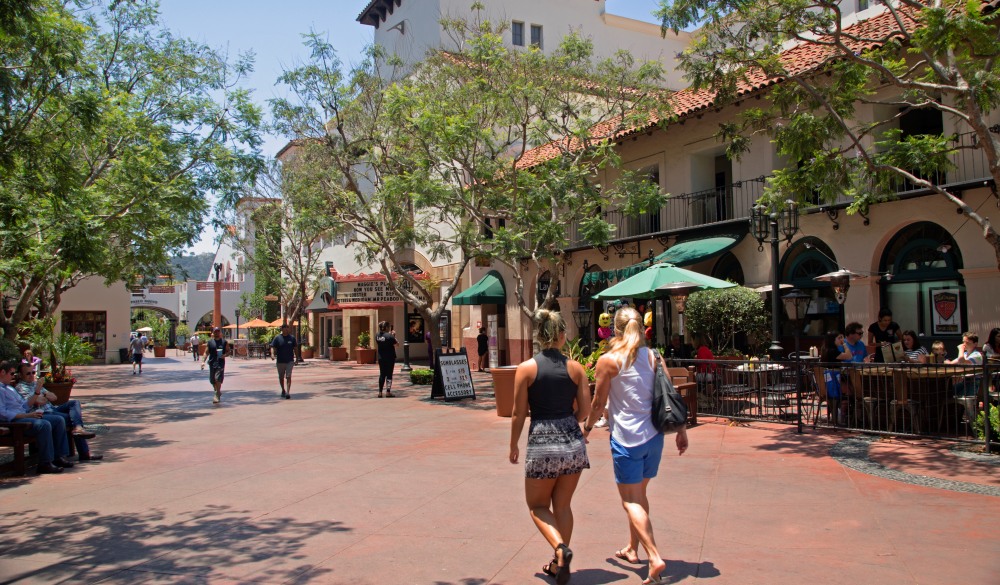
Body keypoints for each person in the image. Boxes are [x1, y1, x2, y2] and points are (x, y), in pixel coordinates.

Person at [584, 307, 688, 585]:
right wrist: (681, 430)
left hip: (626, 439)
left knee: (629, 500)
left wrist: (587, 428)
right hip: (654, 437)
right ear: (641, 327)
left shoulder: (608, 360)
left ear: (615, 329)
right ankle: (632, 548)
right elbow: (670, 394)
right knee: (639, 496)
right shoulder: (654, 356)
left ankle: (654, 557)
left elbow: (597, 403)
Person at [509, 309, 591, 585]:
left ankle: (560, 550)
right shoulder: (576, 368)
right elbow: (585, 411)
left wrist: (513, 445)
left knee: (537, 506)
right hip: (572, 442)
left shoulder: (527, 368)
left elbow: (518, 413)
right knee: (563, 505)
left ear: (540, 335)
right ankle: (560, 564)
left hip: (542, 443)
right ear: (562, 336)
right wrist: (570, 421)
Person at [15, 363, 102, 461]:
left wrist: (42, 395)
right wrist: (43, 395)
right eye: (28, 373)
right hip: (43, 413)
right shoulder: (21, 387)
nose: (31, 375)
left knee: (74, 403)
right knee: (70, 418)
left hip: (52, 409)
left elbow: (54, 397)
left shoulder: (36, 384)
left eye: (33, 372)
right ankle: (79, 453)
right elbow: (37, 401)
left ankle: (78, 428)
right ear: (21, 375)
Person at [0, 360, 74, 474]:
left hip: (25, 415)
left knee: (58, 420)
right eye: (11, 374)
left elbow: (25, 405)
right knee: (44, 425)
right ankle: (45, 463)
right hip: (15, 420)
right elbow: (3, 413)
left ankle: (58, 457)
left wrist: (37, 392)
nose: (13, 376)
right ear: (3, 372)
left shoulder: (10, 388)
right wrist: (27, 415)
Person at [946, 332, 983, 397]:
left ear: (975, 344)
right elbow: (951, 363)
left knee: (954, 393)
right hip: (964, 381)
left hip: (974, 383)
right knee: (947, 392)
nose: (964, 344)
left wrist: (961, 349)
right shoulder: (965, 354)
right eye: (963, 342)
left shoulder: (977, 355)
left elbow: (962, 362)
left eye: (967, 343)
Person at [202, 327, 230, 404]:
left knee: (217, 378)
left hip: (220, 363)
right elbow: (206, 352)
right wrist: (203, 362)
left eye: (218, 331)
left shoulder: (224, 342)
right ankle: (217, 390)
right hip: (212, 363)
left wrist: (225, 355)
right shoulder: (210, 342)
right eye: (215, 331)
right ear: (213, 333)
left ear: (220, 332)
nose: (217, 333)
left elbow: (228, 351)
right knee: (212, 380)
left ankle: (217, 394)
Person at [269, 324, 297, 399]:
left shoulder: (292, 338)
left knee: (288, 376)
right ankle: (283, 390)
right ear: (282, 329)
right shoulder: (277, 338)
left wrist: (297, 358)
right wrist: (272, 354)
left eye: (288, 328)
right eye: (285, 328)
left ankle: (288, 392)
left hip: (289, 361)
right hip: (280, 361)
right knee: (281, 377)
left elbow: (295, 348)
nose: (286, 330)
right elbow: (272, 347)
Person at [375, 321, 398, 398]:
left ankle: (380, 392)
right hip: (390, 357)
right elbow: (397, 344)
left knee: (382, 374)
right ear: (387, 327)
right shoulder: (390, 336)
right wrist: (393, 336)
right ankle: (388, 392)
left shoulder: (377, 335)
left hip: (381, 357)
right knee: (389, 375)